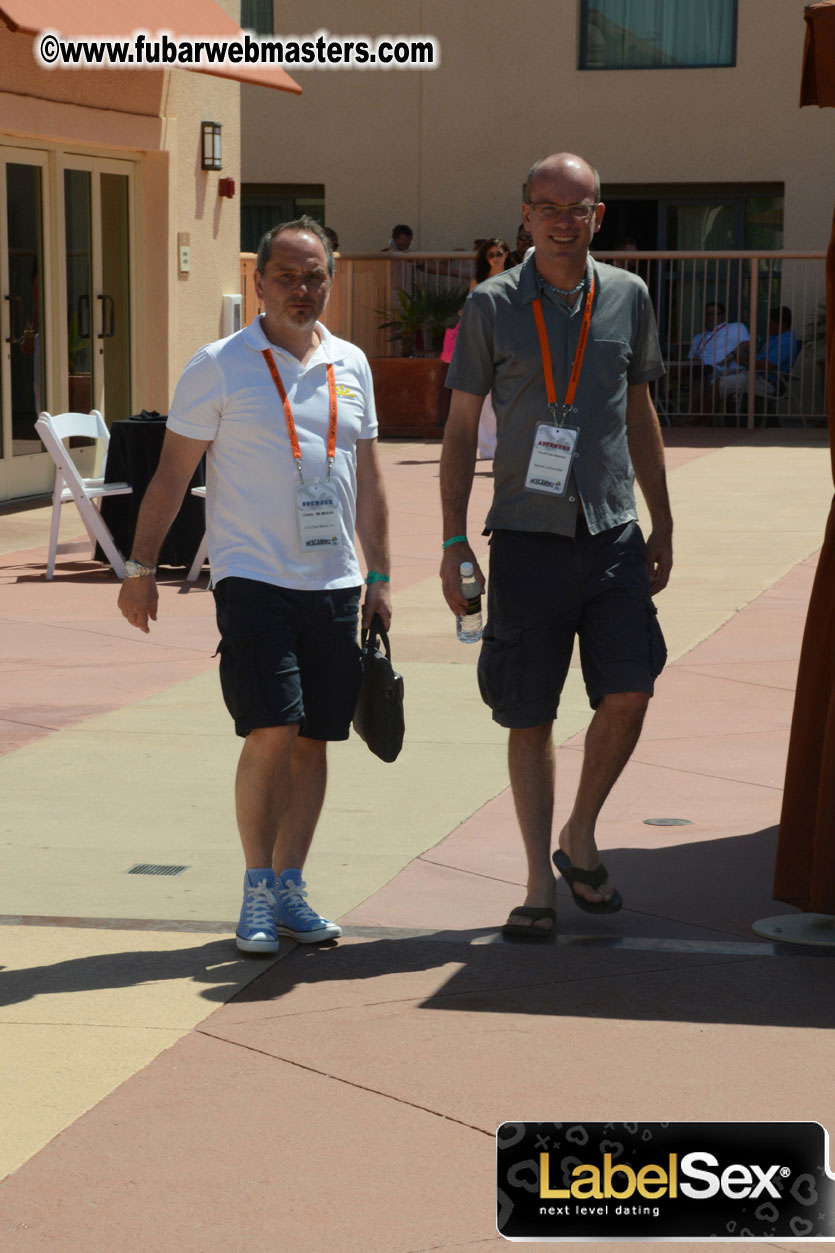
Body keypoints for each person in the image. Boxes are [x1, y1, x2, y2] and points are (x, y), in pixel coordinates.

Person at [117, 216, 391, 956]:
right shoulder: (219, 364)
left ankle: (292, 885)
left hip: (334, 581)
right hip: (253, 578)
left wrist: (380, 573)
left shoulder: (351, 363)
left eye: (315, 277)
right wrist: (140, 570)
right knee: (271, 727)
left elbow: (366, 479)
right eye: (287, 277)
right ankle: (256, 891)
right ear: (258, 281)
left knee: (314, 738)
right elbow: (171, 475)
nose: (302, 290)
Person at [440, 153, 672, 940]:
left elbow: (638, 412)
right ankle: (539, 878)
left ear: (597, 217)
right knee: (528, 713)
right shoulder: (490, 305)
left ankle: (580, 830)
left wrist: (661, 519)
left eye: (578, 209)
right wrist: (451, 541)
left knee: (630, 690)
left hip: (610, 530)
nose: (563, 221)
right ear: (524, 214)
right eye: (548, 207)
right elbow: (459, 430)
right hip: (527, 539)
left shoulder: (629, 297)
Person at [467, 238, 513, 459]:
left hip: (510, 340)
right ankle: (487, 447)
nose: (496, 258)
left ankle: (506, 442)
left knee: (508, 392)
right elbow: (469, 308)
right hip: (484, 340)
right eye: (491, 255)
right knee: (485, 396)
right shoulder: (479, 280)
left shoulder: (517, 277)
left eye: (499, 253)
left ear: (506, 254)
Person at [717, 305, 800, 402]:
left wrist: (745, 362)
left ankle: (700, 416)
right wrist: (743, 357)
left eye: (771, 323)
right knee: (713, 381)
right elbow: (760, 358)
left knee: (716, 386)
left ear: (781, 324)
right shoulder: (774, 338)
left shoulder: (786, 341)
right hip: (756, 376)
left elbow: (769, 365)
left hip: (766, 382)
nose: (768, 326)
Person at [687, 301, 749, 416]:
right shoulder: (698, 337)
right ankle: (693, 415)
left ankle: (691, 416)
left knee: (700, 374)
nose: (710, 317)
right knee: (696, 372)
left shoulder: (735, 327)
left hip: (727, 372)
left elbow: (746, 344)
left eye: (714, 314)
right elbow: (691, 359)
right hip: (704, 370)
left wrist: (729, 357)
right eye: (707, 314)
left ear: (723, 316)